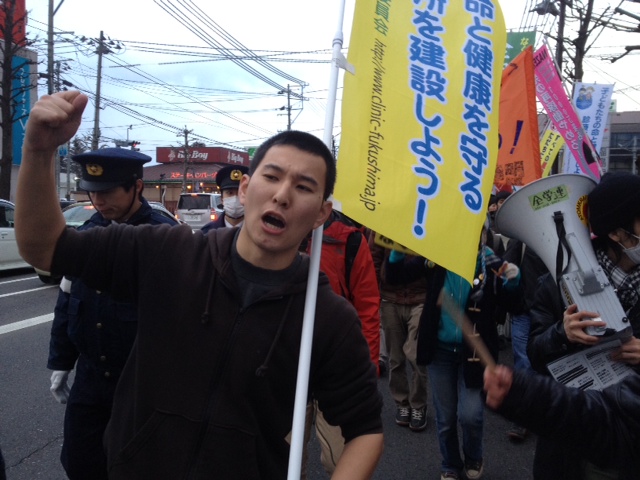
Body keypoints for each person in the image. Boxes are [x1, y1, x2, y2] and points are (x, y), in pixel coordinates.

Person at [16, 90, 383, 480]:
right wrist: (38, 151)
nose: (281, 195)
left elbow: (365, 430)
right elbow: (46, 247)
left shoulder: (326, 316)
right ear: (246, 189)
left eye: (304, 187)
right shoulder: (166, 253)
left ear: (322, 213)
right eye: (272, 177)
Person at [46, 148, 179, 479]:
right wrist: (61, 361)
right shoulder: (87, 232)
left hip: (141, 383)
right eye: (92, 191)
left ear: (136, 187)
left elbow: (183, 319)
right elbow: (67, 300)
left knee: (138, 467)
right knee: (80, 462)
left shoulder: (164, 238)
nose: (98, 200)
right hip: (91, 378)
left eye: (107, 192)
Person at [527, 171, 640, 479]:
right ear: (616, 234)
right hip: (570, 437)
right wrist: (560, 334)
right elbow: (535, 354)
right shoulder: (554, 285)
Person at [388, 223, 521, 480]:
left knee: (471, 415)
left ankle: (473, 456)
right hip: (440, 351)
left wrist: (513, 283)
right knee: (446, 417)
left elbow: (514, 305)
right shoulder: (437, 257)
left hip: (476, 354)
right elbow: (396, 276)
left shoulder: (491, 264)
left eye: (474, 230)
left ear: (482, 234)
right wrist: (397, 250)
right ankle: (450, 464)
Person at [301, 209, 381, 476]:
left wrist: (368, 370)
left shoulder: (351, 241)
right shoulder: (277, 235)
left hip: (338, 369)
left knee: (342, 461)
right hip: (286, 366)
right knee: (283, 462)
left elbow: (368, 310)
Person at [483, 365, 640, 479]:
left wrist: (525, 393)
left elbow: (616, 424)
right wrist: (561, 336)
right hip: (566, 431)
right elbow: (537, 348)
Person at [490, 190, 547, 442]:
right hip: (524, 311)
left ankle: (542, 408)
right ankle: (523, 416)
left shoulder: (560, 235)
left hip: (551, 314)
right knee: (523, 361)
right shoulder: (520, 239)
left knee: (544, 362)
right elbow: (505, 267)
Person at [370, 235, 429, 431]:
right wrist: (374, 293)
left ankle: (418, 405)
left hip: (420, 297)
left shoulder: (428, 221)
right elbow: (374, 257)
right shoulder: (384, 224)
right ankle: (402, 402)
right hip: (390, 298)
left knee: (416, 355)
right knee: (395, 357)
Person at [201, 164, 249, 232]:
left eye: (240, 193)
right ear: (222, 198)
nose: (235, 199)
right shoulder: (207, 233)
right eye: (230, 193)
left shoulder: (258, 233)